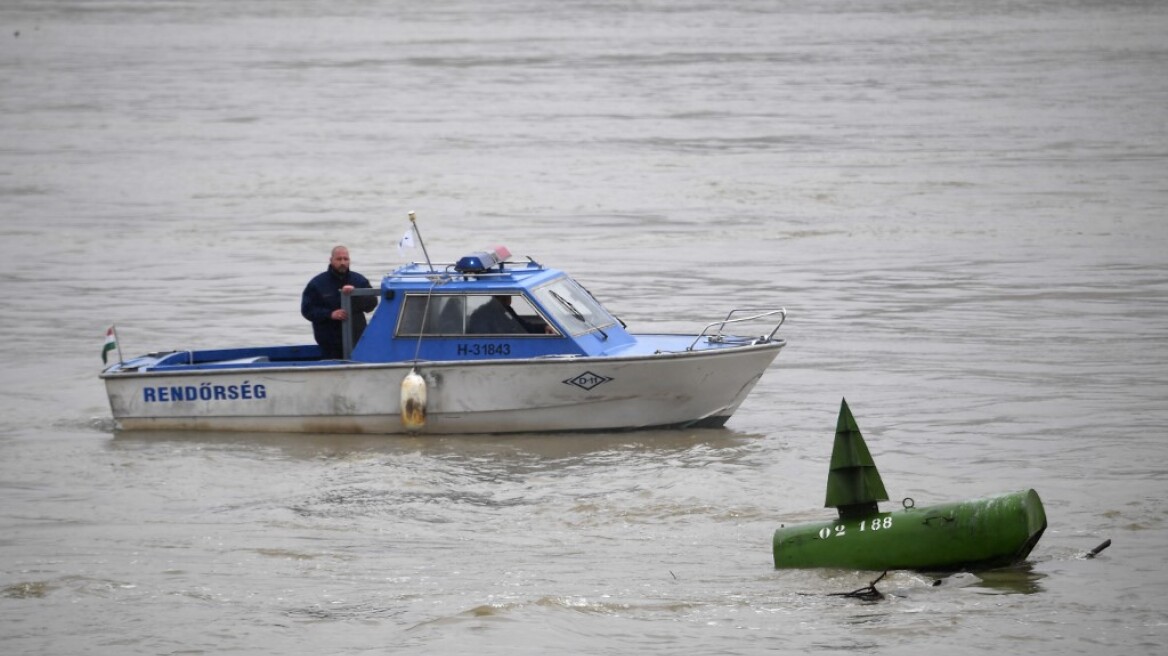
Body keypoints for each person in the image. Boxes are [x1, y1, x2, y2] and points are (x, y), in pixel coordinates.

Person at [301, 245, 378, 359]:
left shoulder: (359, 281)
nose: (342, 262)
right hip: (329, 343)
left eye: (345, 259)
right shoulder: (317, 283)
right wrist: (330, 314)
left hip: (356, 340)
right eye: (339, 259)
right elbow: (307, 310)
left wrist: (355, 294)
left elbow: (372, 304)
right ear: (331, 260)